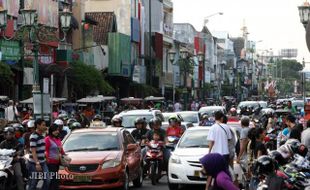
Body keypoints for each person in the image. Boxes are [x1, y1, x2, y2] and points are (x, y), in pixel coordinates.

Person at [28, 118, 50, 190]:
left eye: (45, 125)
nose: (45, 127)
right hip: (33, 163)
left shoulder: (42, 136)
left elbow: (42, 150)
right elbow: (33, 151)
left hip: (43, 162)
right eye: (43, 125)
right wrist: (37, 163)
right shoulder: (33, 136)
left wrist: (45, 158)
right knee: (33, 183)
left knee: (47, 180)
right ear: (37, 126)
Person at [45, 124, 66, 190]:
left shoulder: (58, 139)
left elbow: (61, 150)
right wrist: (47, 158)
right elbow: (45, 151)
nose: (57, 131)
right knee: (54, 181)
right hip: (50, 163)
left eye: (58, 130)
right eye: (55, 130)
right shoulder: (47, 139)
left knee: (55, 181)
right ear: (51, 131)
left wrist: (65, 156)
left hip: (57, 163)